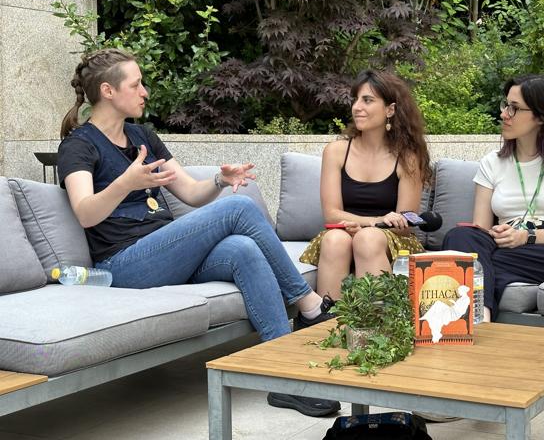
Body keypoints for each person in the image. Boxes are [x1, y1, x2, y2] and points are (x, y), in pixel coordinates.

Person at [57, 48, 338, 417]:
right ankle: (309, 305)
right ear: (108, 91)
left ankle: (279, 375)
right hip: (123, 265)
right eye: (137, 84)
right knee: (239, 210)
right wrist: (125, 183)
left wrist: (221, 180)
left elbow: (190, 192)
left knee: (242, 249)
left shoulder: (142, 136)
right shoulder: (78, 145)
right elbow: (85, 213)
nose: (145, 92)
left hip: (167, 254)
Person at [442, 73, 544, 323]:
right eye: (505, 105)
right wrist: (500, 235)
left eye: (514, 108)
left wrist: (526, 236)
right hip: (504, 244)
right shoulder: (492, 163)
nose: (504, 114)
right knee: (460, 237)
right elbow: (480, 229)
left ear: (541, 117)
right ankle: (483, 320)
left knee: (472, 264)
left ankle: (474, 315)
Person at [299, 69, 432, 299]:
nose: (357, 107)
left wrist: (372, 227)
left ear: (390, 110)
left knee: (367, 239)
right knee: (334, 239)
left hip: (389, 238)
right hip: (344, 230)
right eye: (356, 99)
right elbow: (331, 215)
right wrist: (372, 221)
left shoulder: (408, 157)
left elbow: (406, 221)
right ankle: (329, 327)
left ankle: (377, 329)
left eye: (367, 100)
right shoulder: (336, 151)